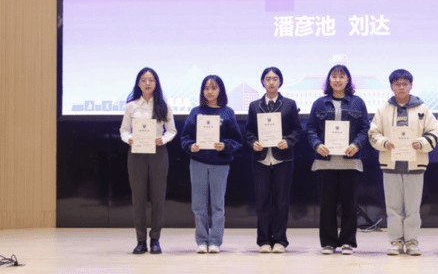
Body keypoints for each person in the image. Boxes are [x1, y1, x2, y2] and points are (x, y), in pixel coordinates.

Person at [368, 69, 438, 256]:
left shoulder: (422, 109)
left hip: (415, 164)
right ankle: (396, 242)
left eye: (405, 84)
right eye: (397, 84)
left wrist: (422, 143)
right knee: (392, 208)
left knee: (413, 209)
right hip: (390, 165)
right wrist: (384, 143)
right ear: (391, 86)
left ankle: (412, 241)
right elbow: (373, 133)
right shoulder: (384, 109)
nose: (401, 87)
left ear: (411, 86)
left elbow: (434, 131)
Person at [306, 64, 370, 255]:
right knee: (327, 205)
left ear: (348, 80)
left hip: (350, 162)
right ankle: (328, 242)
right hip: (324, 162)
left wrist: (356, 144)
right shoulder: (319, 103)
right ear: (329, 80)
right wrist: (317, 145)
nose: (338, 80)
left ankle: (348, 242)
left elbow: (365, 129)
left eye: (342, 77)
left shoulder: (358, 102)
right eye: (334, 76)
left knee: (350, 205)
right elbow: (310, 128)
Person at [181, 75, 243, 254]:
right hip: (198, 163)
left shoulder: (227, 112)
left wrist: (225, 146)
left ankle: (215, 241)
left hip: (220, 164)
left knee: (217, 205)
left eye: (213, 88)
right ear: (202, 91)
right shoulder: (195, 112)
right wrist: (191, 146)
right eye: (206, 88)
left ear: (220, 90)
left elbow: (237, 140)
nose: (210, 91)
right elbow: (185, 137)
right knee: (198, 205)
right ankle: (201, 240)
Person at [120, 67, 176, 255]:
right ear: (138, 83)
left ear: (156, 83)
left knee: (158, 198)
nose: (147, 83)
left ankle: (155, 240)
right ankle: (140, 241)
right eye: (143, 80)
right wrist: (129, 138)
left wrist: (163, 139)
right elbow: (124, 130)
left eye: (151, 80)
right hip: (136, 154)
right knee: (138, 199)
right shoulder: (131, 106)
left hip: (158, 153)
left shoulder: (163, 105)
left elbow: (172, 130)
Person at [246, 67, 302, 254]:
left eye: (275, 79)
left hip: (283, 159)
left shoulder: (289, 105)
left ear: (280, 82)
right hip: (261, 159)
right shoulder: (254, 106)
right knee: (262, 201)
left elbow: (297, 129)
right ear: (263, 82)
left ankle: (279, 240)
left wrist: (289, 141)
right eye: (268, 79)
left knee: (281, 201)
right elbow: (249, 131)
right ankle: (263, 240)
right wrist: (252, 142)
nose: (271, 82)